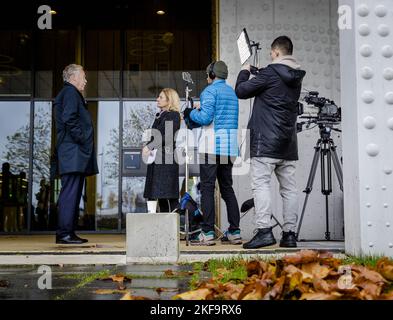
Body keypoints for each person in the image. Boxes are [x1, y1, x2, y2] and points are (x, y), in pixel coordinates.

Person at [235, 36, 306, 249]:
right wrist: (261, 73)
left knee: (261, 186)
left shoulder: (269, 73)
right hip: (288, 143)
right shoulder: (296, 76)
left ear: (275, 52)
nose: (269, 55)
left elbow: (241, 91)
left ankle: (264, 231)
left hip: (265, 141)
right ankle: (289, 234)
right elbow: (275, 85)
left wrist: (245, 71)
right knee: (289, 190)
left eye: (270, 53)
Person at [183, 60, 241, 246]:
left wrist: (190, 113)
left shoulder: (209, 91)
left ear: (212, 75)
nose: (207, 77)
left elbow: (206, 118)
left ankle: (207, 232)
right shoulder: (231, 93)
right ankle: (234, 231)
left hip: (211, 147)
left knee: (207, 188)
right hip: (229, 147)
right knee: (227, 189)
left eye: (208, 74)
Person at [54, 64, 98, 244]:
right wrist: (82, 139)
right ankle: (64, 233)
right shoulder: (71, 93)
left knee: (72, 192)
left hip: (73, 153)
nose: (86, 81)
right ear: (73, 78)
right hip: (73, 152)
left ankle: (68, 232)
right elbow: (70, 118)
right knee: (70, 193)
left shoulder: (68, 93)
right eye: (83, 77)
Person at [143, 88, 181, 213]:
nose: (157, 99)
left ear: (169, 100)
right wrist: (148, 146)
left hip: (166, 161)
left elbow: (167, 136)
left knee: (167, 196)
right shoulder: (160, 115)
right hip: (156, 160)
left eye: (161, 97)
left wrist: (149, 146)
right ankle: (152, 222)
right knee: (153, 194)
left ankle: (173, 227)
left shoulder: (174, 115)